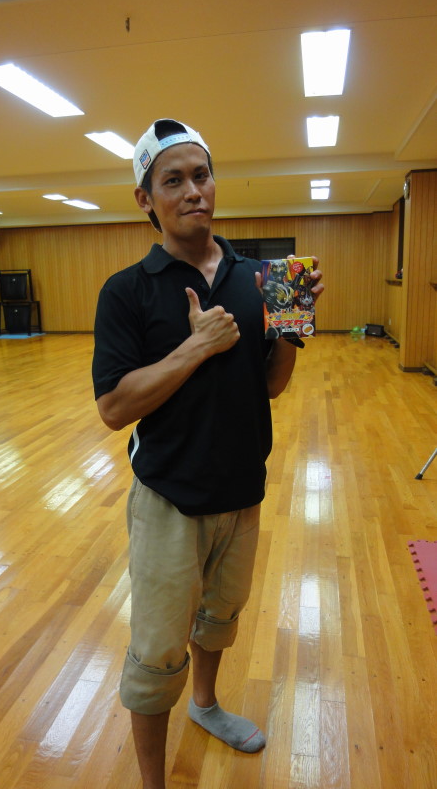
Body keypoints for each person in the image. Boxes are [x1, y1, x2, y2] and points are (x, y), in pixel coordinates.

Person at [92, 118, 324, 789]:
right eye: (174, 181)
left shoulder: (258, 279)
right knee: (157, 651)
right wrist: (195, 348)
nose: (193, 191)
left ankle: (206, 704)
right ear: (146, 199)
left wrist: (291, 330)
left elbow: (271, 385)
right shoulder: (127, 290)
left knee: (219, 619)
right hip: (169, 499)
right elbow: (113, 408)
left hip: (242, 492)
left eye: (202, 175)